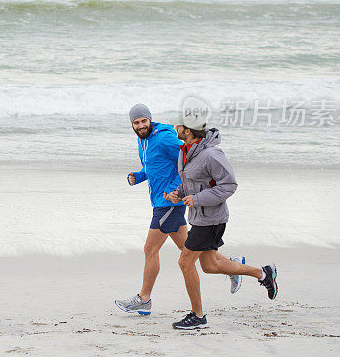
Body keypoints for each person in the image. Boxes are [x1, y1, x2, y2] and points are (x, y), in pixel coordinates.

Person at [114, 103, 241, 315]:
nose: (140, 125)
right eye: (136, 123)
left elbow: (187, 160)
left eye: (144, 121)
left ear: (150, 119)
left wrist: (179, 191)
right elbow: (154, 166)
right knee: (189, 249)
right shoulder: (143, 140)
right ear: (132, 125)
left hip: (170, 203)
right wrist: (139, 176)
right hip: (160, 201)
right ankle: (231, 266)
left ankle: (144, 299)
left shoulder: (164, 138)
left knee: (150, 249)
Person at [164, 103, 278, 330]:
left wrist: (197, 199)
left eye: (178, 124)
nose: (174, 126)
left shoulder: (211, 154)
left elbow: (229, 186)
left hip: (212, 220)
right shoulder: (185, 150)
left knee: (185, 262)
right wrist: (180, 193)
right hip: (199, 217)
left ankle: (198, 316)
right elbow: (195, 183)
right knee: (210, 265)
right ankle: (263, 273)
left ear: (187, 129)